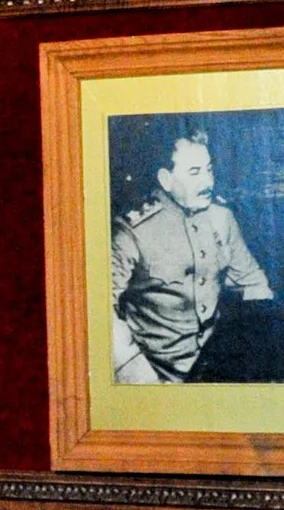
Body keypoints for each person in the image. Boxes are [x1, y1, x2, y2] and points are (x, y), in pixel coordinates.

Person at [111, 130, 273, 382]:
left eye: (209, 170)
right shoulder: (133, 231)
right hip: (155, 374)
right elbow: (99, 311)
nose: (208, 182)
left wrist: (257, 352)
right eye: (195, 173)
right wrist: (136, 375)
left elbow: (253, 284)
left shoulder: (221, 218)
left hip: (214, 368)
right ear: (166, 179)